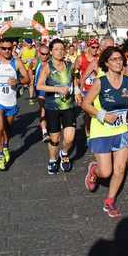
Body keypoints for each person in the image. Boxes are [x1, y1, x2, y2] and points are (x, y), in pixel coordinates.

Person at [82, 46, 128, 218]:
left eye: (120, 59)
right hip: (101, 129)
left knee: (120, 169)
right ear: (106, 63)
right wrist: (103, 115)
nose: (118, 62)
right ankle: (94, 170)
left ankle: (110, 201)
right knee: (106, 172)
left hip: (121, 129)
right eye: (113, 59)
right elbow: (85, 104)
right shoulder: (101, 81)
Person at [0, 38, 30, 171]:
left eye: (9, 48)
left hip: (10, 101)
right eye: (4, 48)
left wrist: (18, 81)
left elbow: (27, 79)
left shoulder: (17, 62)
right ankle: (0, 155)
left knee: (7, 128)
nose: (7, 51)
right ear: (0, 49)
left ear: (12, 48)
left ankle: (6, 145)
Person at [37, 39, 77, 174]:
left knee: (70, 137)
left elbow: (74, 80)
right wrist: (58, 89)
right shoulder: (47, 67)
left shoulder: (70, 65)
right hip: (52, 107)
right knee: (55, 138)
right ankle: (52, 159)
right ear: (51, 51)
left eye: (61, 49)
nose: (59, 51)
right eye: (56, 49)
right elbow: (39, 85)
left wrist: (77, 91)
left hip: (68, 106)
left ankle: (64, 154)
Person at [74, 38, 100, 138]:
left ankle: (96, 132)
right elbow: (75, 73)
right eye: (93, 47)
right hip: (84, 89)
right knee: (88, 112)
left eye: (97, 47)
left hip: (97, 89)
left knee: (97, 111)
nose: (95, 49)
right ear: (88, 47)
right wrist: (77, 90)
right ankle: (88, 131)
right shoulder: (81, 58)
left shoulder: (99, 57)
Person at [32, 44, 51, 142]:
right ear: (39, 53)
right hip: (40, 90)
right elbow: (30, 73)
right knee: (43, 109)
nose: (45, 56)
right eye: (43, 54)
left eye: (47, 54)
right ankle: (44, 132)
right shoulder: (35, 62)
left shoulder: (52, 63)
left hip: (51, 89)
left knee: (52, 109)